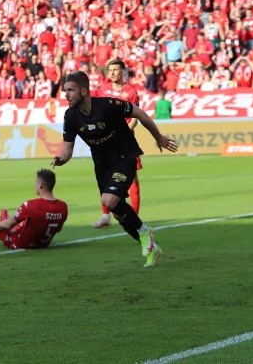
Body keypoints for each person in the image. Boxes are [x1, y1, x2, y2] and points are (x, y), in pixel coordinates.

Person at [52, 71, 179, 267]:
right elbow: (67, 149)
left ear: (84, 91)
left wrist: (158, 137)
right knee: (119, 213)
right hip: (102, 164)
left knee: (108, 200)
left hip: (124, 156)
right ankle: (151, 245)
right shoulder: (71, 116)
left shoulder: (108, 105)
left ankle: (145, 233)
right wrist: (62, 158)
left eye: (70, 90)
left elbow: (140, 113)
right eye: (65, 91)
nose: (66, 95)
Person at [91, 59, 143, 228]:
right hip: (106, 142)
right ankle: (105, 216)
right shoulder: (103, 89)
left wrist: (123, 132)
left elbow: (135, 118)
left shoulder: (131, 92)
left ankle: (133, 216)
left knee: (132, 178)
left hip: (125, 142)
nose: (112, 73)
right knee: (105, 177)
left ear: (123, 72)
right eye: (110, 70)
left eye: (115, 70)